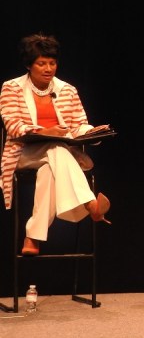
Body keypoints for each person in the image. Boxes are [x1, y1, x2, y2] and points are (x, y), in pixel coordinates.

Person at [0, 33, 112, 256]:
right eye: (41, 63)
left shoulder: (67, 90)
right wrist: (44, 131)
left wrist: (92, 133)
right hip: (23, 153)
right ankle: (90, 203)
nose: (48, 68)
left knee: (50, 166)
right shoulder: (11, 88)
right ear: (29, 65)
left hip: (59, 157)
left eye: (52, 63)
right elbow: (13, 125)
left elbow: (78, 124)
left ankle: (32, 238)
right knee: (56, 149)